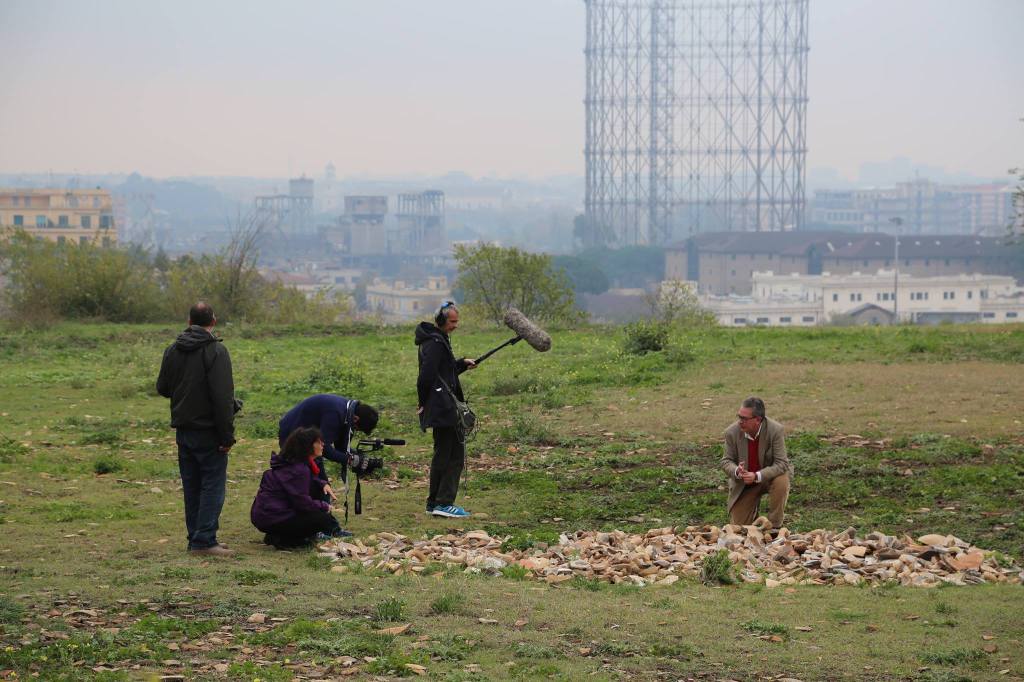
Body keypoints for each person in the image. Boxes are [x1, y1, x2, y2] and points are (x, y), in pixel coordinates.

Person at [156, 302, 237, 557]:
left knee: (192, 486)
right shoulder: (216, 351)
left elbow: (163, 388)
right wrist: (227, 436)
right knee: (212, 485)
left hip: (184, 430)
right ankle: (204, 541)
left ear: (189, 322)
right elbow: (223, 398)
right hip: (210, 431)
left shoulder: (172, 350)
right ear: (213, 322)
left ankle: (197, 538)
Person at [415, 300, 476, 518]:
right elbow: (425, 378)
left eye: (457, 321)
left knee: (443, 454)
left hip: (442, 407)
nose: (455, 325)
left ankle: (433, 503)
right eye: (452, 321)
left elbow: (444, 372)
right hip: (444, 409)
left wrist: (461, 364)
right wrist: (423, 404)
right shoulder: (435, 343)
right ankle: (444, 503)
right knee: (453, 456)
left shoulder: (437, 340)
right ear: (441, 321)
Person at [251, 427, 344, 549]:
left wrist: (322, 484)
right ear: (308, 446)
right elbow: (302, 504)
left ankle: (279, 535)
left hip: (265, 515)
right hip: (273, 516)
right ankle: (286, 539)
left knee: (317, 497)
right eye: (318, 442)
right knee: (322, 519)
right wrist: (324, 506)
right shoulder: (299, 470)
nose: (322, 444)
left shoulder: (290, 462)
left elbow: (310, 481)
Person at [277, 394, 379, 496]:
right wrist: (351, 460)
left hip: (308, 438)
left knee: (318, 484)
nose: (354, 430)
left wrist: (361, 458)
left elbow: (341, 448)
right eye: (357, 428)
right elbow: (324, 449)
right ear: (356, 419)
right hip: (291, 434)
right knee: (306, 481)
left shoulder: (347, 412)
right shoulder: (335, 414)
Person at [719, 396, 792, 532]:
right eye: (739, 417)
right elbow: (725, 461)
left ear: (758, 419)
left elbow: (782, 463)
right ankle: (755, 523)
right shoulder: (731, 432)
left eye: (744, 419)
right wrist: (737, 471)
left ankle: (775, 526)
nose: (740, 422)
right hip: (745, 484)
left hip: (768, 478)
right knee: (740, 529)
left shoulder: (775, 430)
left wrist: (757, 475)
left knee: (782, 480)